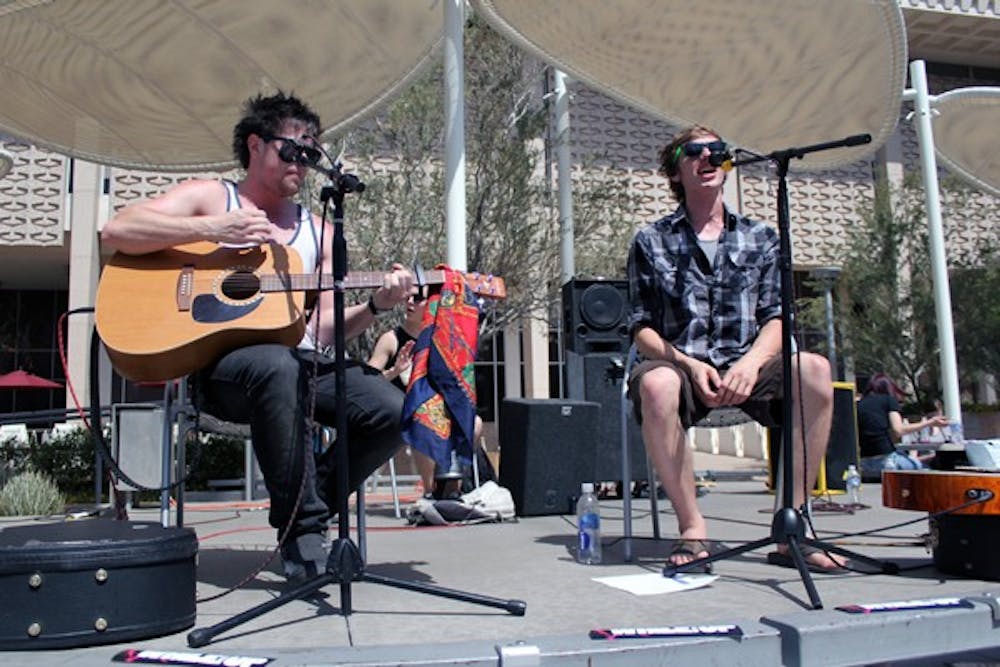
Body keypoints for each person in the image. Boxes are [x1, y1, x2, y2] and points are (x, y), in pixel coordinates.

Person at [101, 91, 414, 583]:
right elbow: (117, 230)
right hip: (226, 372)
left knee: (394, 411)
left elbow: (320, 331)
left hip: (300, 365)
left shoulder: (319, 233)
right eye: (293, 150)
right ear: (255, 145)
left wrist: (378, 306)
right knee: (275, 365)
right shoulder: (212, 196)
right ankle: (304, 534)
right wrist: (214, 228)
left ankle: (301, 512)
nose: (303, 164)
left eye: (311, 155)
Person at [626, 125, 842, 572]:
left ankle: (793, 526)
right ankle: (692, 528)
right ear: (676, 170)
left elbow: (778, 318)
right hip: (682, 365)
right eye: (695, 151)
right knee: (658, 385)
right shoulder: (651, 240)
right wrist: (686, 362)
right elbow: (640, 328)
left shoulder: (761, 237)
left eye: (717, 151)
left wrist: (752, 362)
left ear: (727, 164)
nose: (707, 157)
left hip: (752, 365)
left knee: (816, 370)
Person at [367, 292, 483, 498]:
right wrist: (395, 370)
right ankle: (432, 491)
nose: (409, 302)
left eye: (418, 298)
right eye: (408, 297)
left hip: (439, 410)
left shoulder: (440, 340)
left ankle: (454, 487)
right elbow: (367, 383)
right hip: (401, 412)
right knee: (424, 421)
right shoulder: (391, 340)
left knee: (475, 424)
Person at [856, 373, 949, 479]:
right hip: (887, 460)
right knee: (925, 468)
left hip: (864, 463)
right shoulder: (888, 400)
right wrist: (930, 422)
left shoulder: (858, 405)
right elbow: (898, 430)